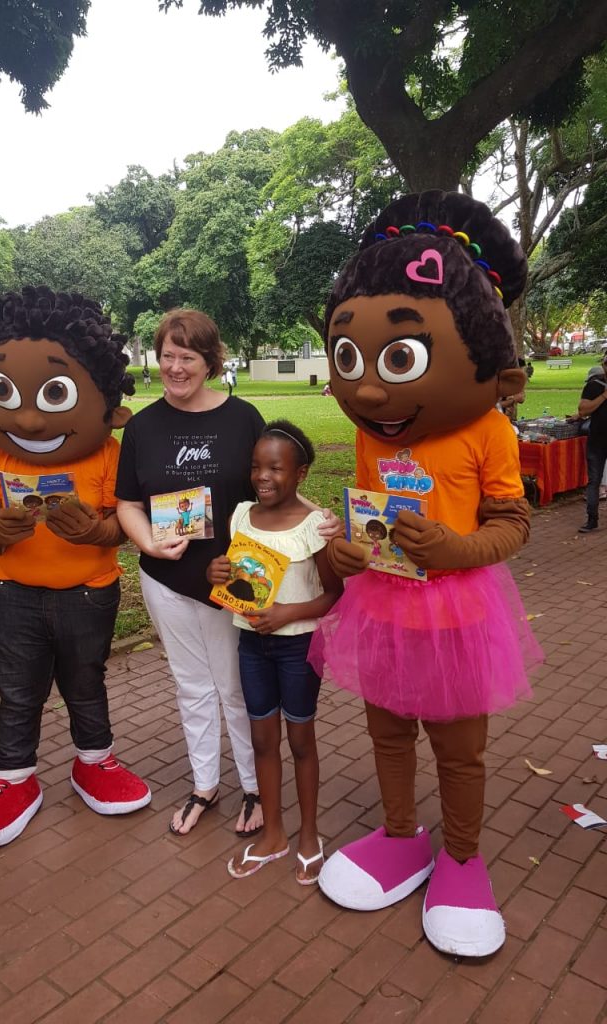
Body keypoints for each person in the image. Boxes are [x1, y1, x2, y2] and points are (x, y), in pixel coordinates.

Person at [310, 191, 544, 957]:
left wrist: (455, 549)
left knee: (459, 746)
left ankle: (464, 859)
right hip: (384, 606)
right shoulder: (374, 433)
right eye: (351, 358)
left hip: (461, 613)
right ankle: (401, 835)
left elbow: (512, 522)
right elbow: (370, 506)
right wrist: (347, 547)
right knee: (387, 733)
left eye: (397, 357)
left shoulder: (488, 430)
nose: (370, 388)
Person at [116, 309, 339, 837]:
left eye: (187, 357)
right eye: (167, 356)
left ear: (209, 361)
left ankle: (255, 790)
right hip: (166, 579)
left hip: (235, 581)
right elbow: (127, 502)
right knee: (190, 686)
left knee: (236, 689)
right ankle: (204, 785)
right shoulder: (143, 427)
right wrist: (150, 542)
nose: (175, 367)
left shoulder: (241, 418)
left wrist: (317, 515)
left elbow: (273, 479)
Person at [0, 287, 151, 850]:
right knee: (19, 691)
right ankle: (12, 779)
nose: (31, 418)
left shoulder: (109, 452)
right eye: (5, 392)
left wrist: (96, 531)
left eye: (55, 392)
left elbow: (122, 522)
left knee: (86, 683)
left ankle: (95, 762)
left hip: (88, 592)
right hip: (13, 593)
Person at [207, 421, 342, 883]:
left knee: (301, 741)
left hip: (299, 647)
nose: (263, 476)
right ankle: (274, 833)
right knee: (263, 740)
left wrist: (288, 613)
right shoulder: (241, 515)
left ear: (300, 473)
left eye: (276, 468)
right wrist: (216, 571)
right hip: (251, 644)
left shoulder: (316, 526)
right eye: (256, 466)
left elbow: (334, 594)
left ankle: (309, 834)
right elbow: (236, 575)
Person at [577, 356, 607, 531]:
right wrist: (604, 396)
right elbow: (583, 410)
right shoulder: (595, 386)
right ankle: (592, 519)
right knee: (594, 480)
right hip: (597, 440)